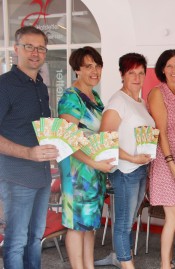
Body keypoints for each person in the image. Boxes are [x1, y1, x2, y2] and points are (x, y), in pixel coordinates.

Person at [0, 26, 59, 269]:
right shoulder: (4, 85)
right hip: (16, 176)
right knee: (16, 241)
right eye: (29, 47)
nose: (35, 52)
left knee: (36, 238)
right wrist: (28, 153)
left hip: (42, 175)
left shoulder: (40, 86)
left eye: (41, 48)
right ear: (16, 49)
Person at [58, 46, 115, 268]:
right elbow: (67, 140)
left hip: (95, 170)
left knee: (89, 224)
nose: (95, 71)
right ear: (77, 70)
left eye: (98, 66)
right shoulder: (71, 98)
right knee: (75, 225)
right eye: (88, 66)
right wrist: (94, 163)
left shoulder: (94, 95)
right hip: (77, 171)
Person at [100, 52, 154, 269]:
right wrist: (132, 157)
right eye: (132, 73)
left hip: (140, 169)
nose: (137, 78)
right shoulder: (118, 101)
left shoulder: (140, 101)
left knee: (129, 220)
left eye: (141, 73)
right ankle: (126, 264)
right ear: (122, 74)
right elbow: (105, 139)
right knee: (123, 223)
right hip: (125, 170)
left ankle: (119, 256)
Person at [148, 49, 175, 269]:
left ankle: (169, 262)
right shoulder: (158, 93)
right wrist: (171, 163)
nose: (174, 70)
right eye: (169, 66)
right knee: (174, 216)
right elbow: (161, 132)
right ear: (162, 69)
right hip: (166, 157)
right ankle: (165, 265)